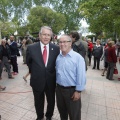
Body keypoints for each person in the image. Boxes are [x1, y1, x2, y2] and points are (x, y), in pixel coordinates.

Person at [26, 26, 60, 120]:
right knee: (38, 101)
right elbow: (29, 63)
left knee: (51, 101)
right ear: (40, 35)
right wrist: (37, 72)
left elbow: (57, 63)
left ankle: (49, 116)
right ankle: (39, 116)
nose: (46, 37)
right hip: (37, 80)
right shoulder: (31, 48)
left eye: (48, 35)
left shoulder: (56, 48)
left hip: (51, 81)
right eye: (44, 34)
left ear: (51, 37)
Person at [56, 35, 86, 120]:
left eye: (65, 42)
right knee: (62, 114)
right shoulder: (58, 57)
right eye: (60, 42)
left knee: (74, 116)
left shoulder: (78, 58)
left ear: (70, 43)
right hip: (59, 90)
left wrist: (78, 91)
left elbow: (81, 75)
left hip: (72, 91)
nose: (62, 44)